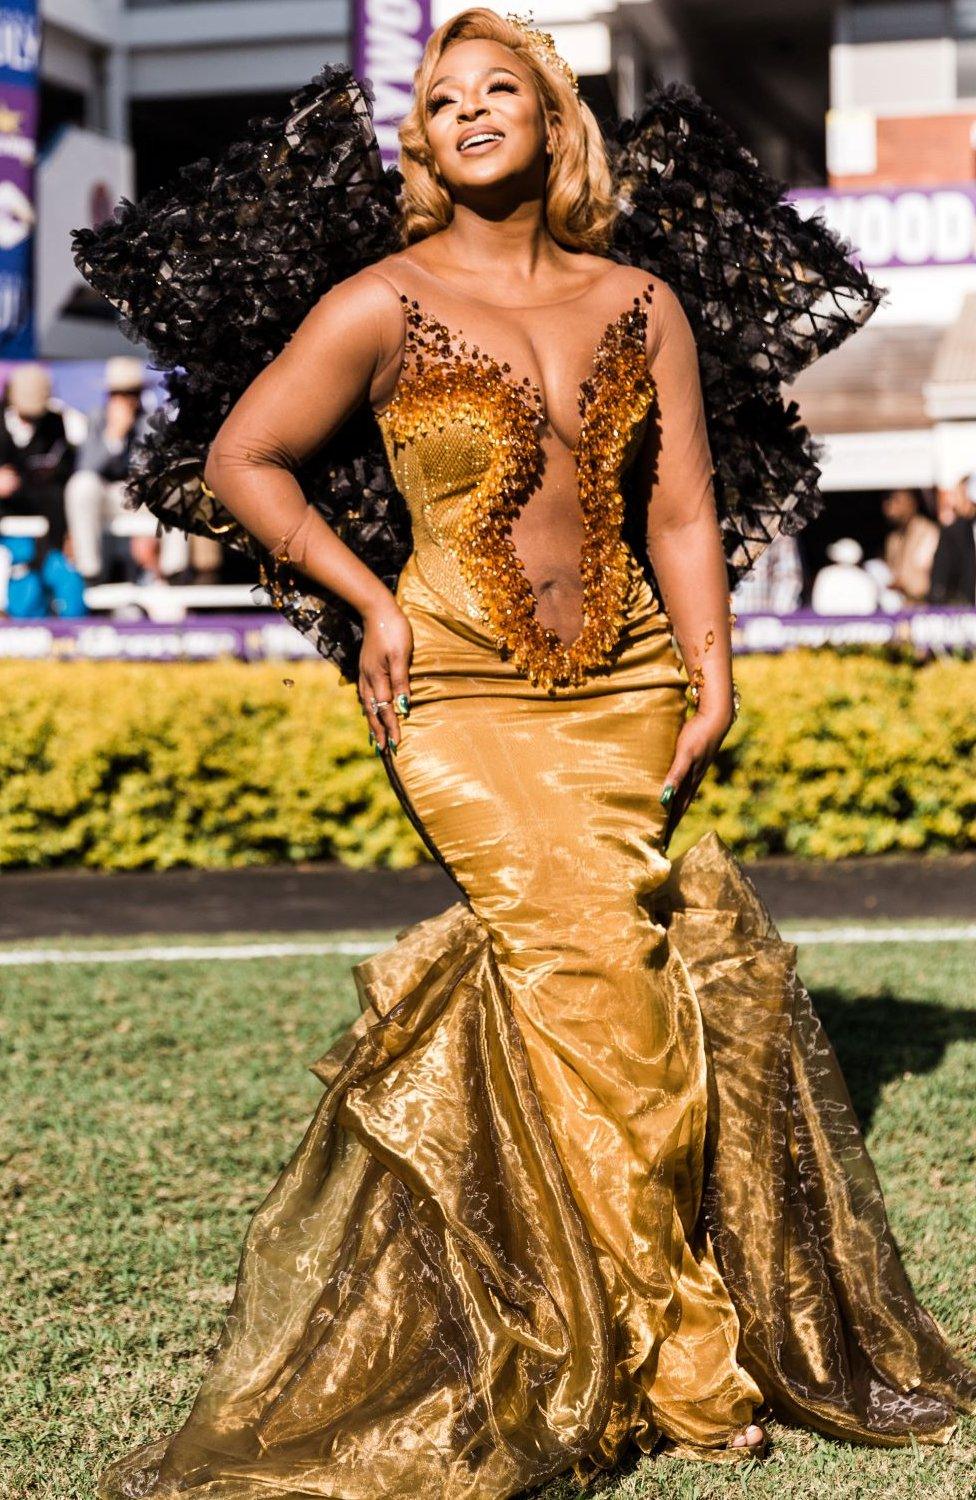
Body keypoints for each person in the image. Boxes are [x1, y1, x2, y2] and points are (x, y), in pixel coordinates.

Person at [73, 13, 976, 1497]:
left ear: (558, 126)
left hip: (622, 682)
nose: (472, 110)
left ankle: (532, 1287)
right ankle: (680, 1355)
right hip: (462, 690)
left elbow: (682, 509)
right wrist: (365, 602)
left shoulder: (647, 303)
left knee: (602, 978)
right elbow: (244, 458)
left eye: (504, 90)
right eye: (443, 98)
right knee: (590, 973)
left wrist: (714, 668)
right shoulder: (379, 302)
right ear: (420, 144)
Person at [64, 356, 194, 585]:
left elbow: (155, 468)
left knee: (176, 486)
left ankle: (175, 569)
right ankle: (89, 570)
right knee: (81, 485)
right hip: (107, 496)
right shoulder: (96, 419)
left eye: (130, 394)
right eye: (117, 394)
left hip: (142, 496)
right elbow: (85, 468)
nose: (123, 400)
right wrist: (114, 437)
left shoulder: (151, 421)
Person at [0, 364, 74, 561]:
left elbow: (64, 465)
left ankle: (52, 559)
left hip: (37, 496)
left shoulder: (53, 423)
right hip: (3, 502)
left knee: (57, 498)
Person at [881, 487, 939, 605]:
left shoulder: (927, 531)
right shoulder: (893, 539)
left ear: (911, 503)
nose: (889, 507)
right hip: (898, 606)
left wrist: (906, 586)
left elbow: (924, 572)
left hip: (922, 606)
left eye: (896, 501)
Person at [930, 476, 976, 605]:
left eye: (959, 495)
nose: (954, 503)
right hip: (964, 610)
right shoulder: (953, 532)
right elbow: (940, 575)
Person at [810, 536, 880, 615]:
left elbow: (818, 606)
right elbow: (870, 608)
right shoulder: (866, 577)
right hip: (859, 625)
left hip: (830, 625)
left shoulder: (826, 574)